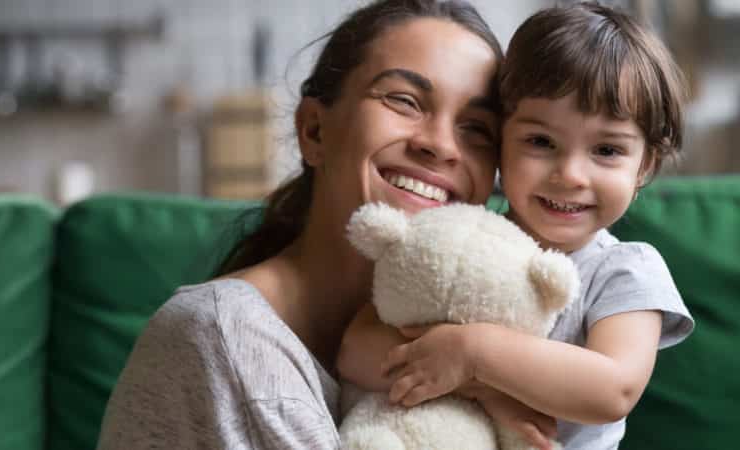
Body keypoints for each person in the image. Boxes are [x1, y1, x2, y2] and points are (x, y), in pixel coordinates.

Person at [96, 1, 505, 448]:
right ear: (314, 130)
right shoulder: (227, 335)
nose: (442, 146)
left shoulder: (472, 345)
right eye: (404, 100)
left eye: (478, 129)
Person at [336, 3, 695, 449]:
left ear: (645, 166)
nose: (571, 175)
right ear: (500, 140)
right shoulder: (459, 240)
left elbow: (613, 389)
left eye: (606, 150)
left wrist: (475, 353)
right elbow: (355, 349)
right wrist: (482, 391)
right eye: (541, 142)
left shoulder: (624, 269)